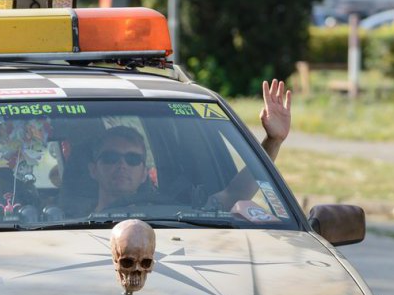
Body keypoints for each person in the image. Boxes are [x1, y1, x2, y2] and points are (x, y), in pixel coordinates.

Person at [86, 78, 292, 213]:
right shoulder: (63, 221)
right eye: (111, 157)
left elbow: (236, 193)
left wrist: (273, 140)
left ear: (144, 173)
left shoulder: (180, 214)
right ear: (93, 169)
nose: (122, 165)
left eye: (132, 159)